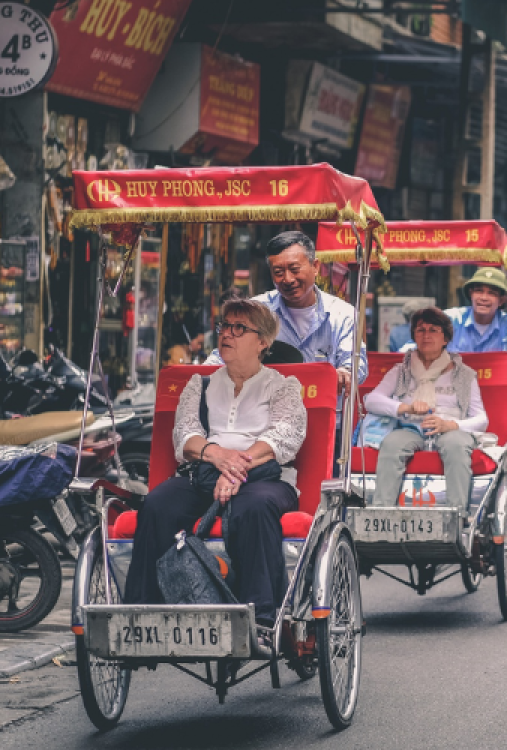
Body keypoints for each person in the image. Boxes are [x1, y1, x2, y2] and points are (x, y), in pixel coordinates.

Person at [124, 299, 306, 632]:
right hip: (204, 471)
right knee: (156, 505)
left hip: (264, 478)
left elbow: (284, 436)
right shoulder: (201, 384)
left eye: (240, 329)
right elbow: (186, 435)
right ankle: (144, 612)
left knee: (255, 507)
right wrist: (218, 457)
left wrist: (238, 467)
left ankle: (261, 618)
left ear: (263, 342)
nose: (227, 335)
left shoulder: (282, 386)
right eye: (225, 326)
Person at [206, 231, 366, 391]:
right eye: (278, 272)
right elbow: (223, 355)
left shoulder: (344, 315)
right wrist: (198, 373)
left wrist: (345, 372)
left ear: (315, 267)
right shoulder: (254, 311)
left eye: (295, 269)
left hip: (324, 411)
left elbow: (355, 363)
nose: (288, 279)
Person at [365, 308, 488, 510]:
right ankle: (382, 513)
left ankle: (456, 515)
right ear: (413, 335)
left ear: (445, 338)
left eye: (433, 330)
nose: (426, 335)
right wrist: (406, 407)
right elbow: (372, 400)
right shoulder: (401, 370)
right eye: (420, 330)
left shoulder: (464, 375)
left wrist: (450, 425)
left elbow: (481, 420)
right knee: (392, 443)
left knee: (456, 446)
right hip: (411, 428)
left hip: (452, 430)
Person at [442, 268, 507, 355]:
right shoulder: (451, 318)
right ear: (471, 294)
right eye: (479, 291)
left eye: (492, 293)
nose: (484, 298)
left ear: (501, 300)